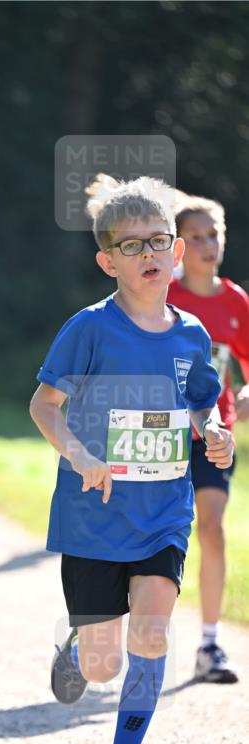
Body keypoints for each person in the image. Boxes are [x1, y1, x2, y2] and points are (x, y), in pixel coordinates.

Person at [29, 174, 233, 744]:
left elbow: (201, 402)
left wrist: (214, 432)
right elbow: (43, 404)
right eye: (131, 243)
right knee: (103, 660)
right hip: (92, 518)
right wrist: (80, 456)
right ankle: (75, 649)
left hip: (161, 515)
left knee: (150, 631)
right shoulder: (88, 329)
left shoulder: (191, 335)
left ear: (176, 252)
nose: (148, 252)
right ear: (107, 260)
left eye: (158, 240)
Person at [167, 192, 249, 683]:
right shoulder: (163, 295)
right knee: (153, 537)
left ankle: (210, 644)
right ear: (178, 247)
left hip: (213, 436)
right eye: (195, 236)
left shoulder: (237, 301)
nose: (207, 243)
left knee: (212, 526)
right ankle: (126, 633)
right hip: (158, 436)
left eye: (213, 233)